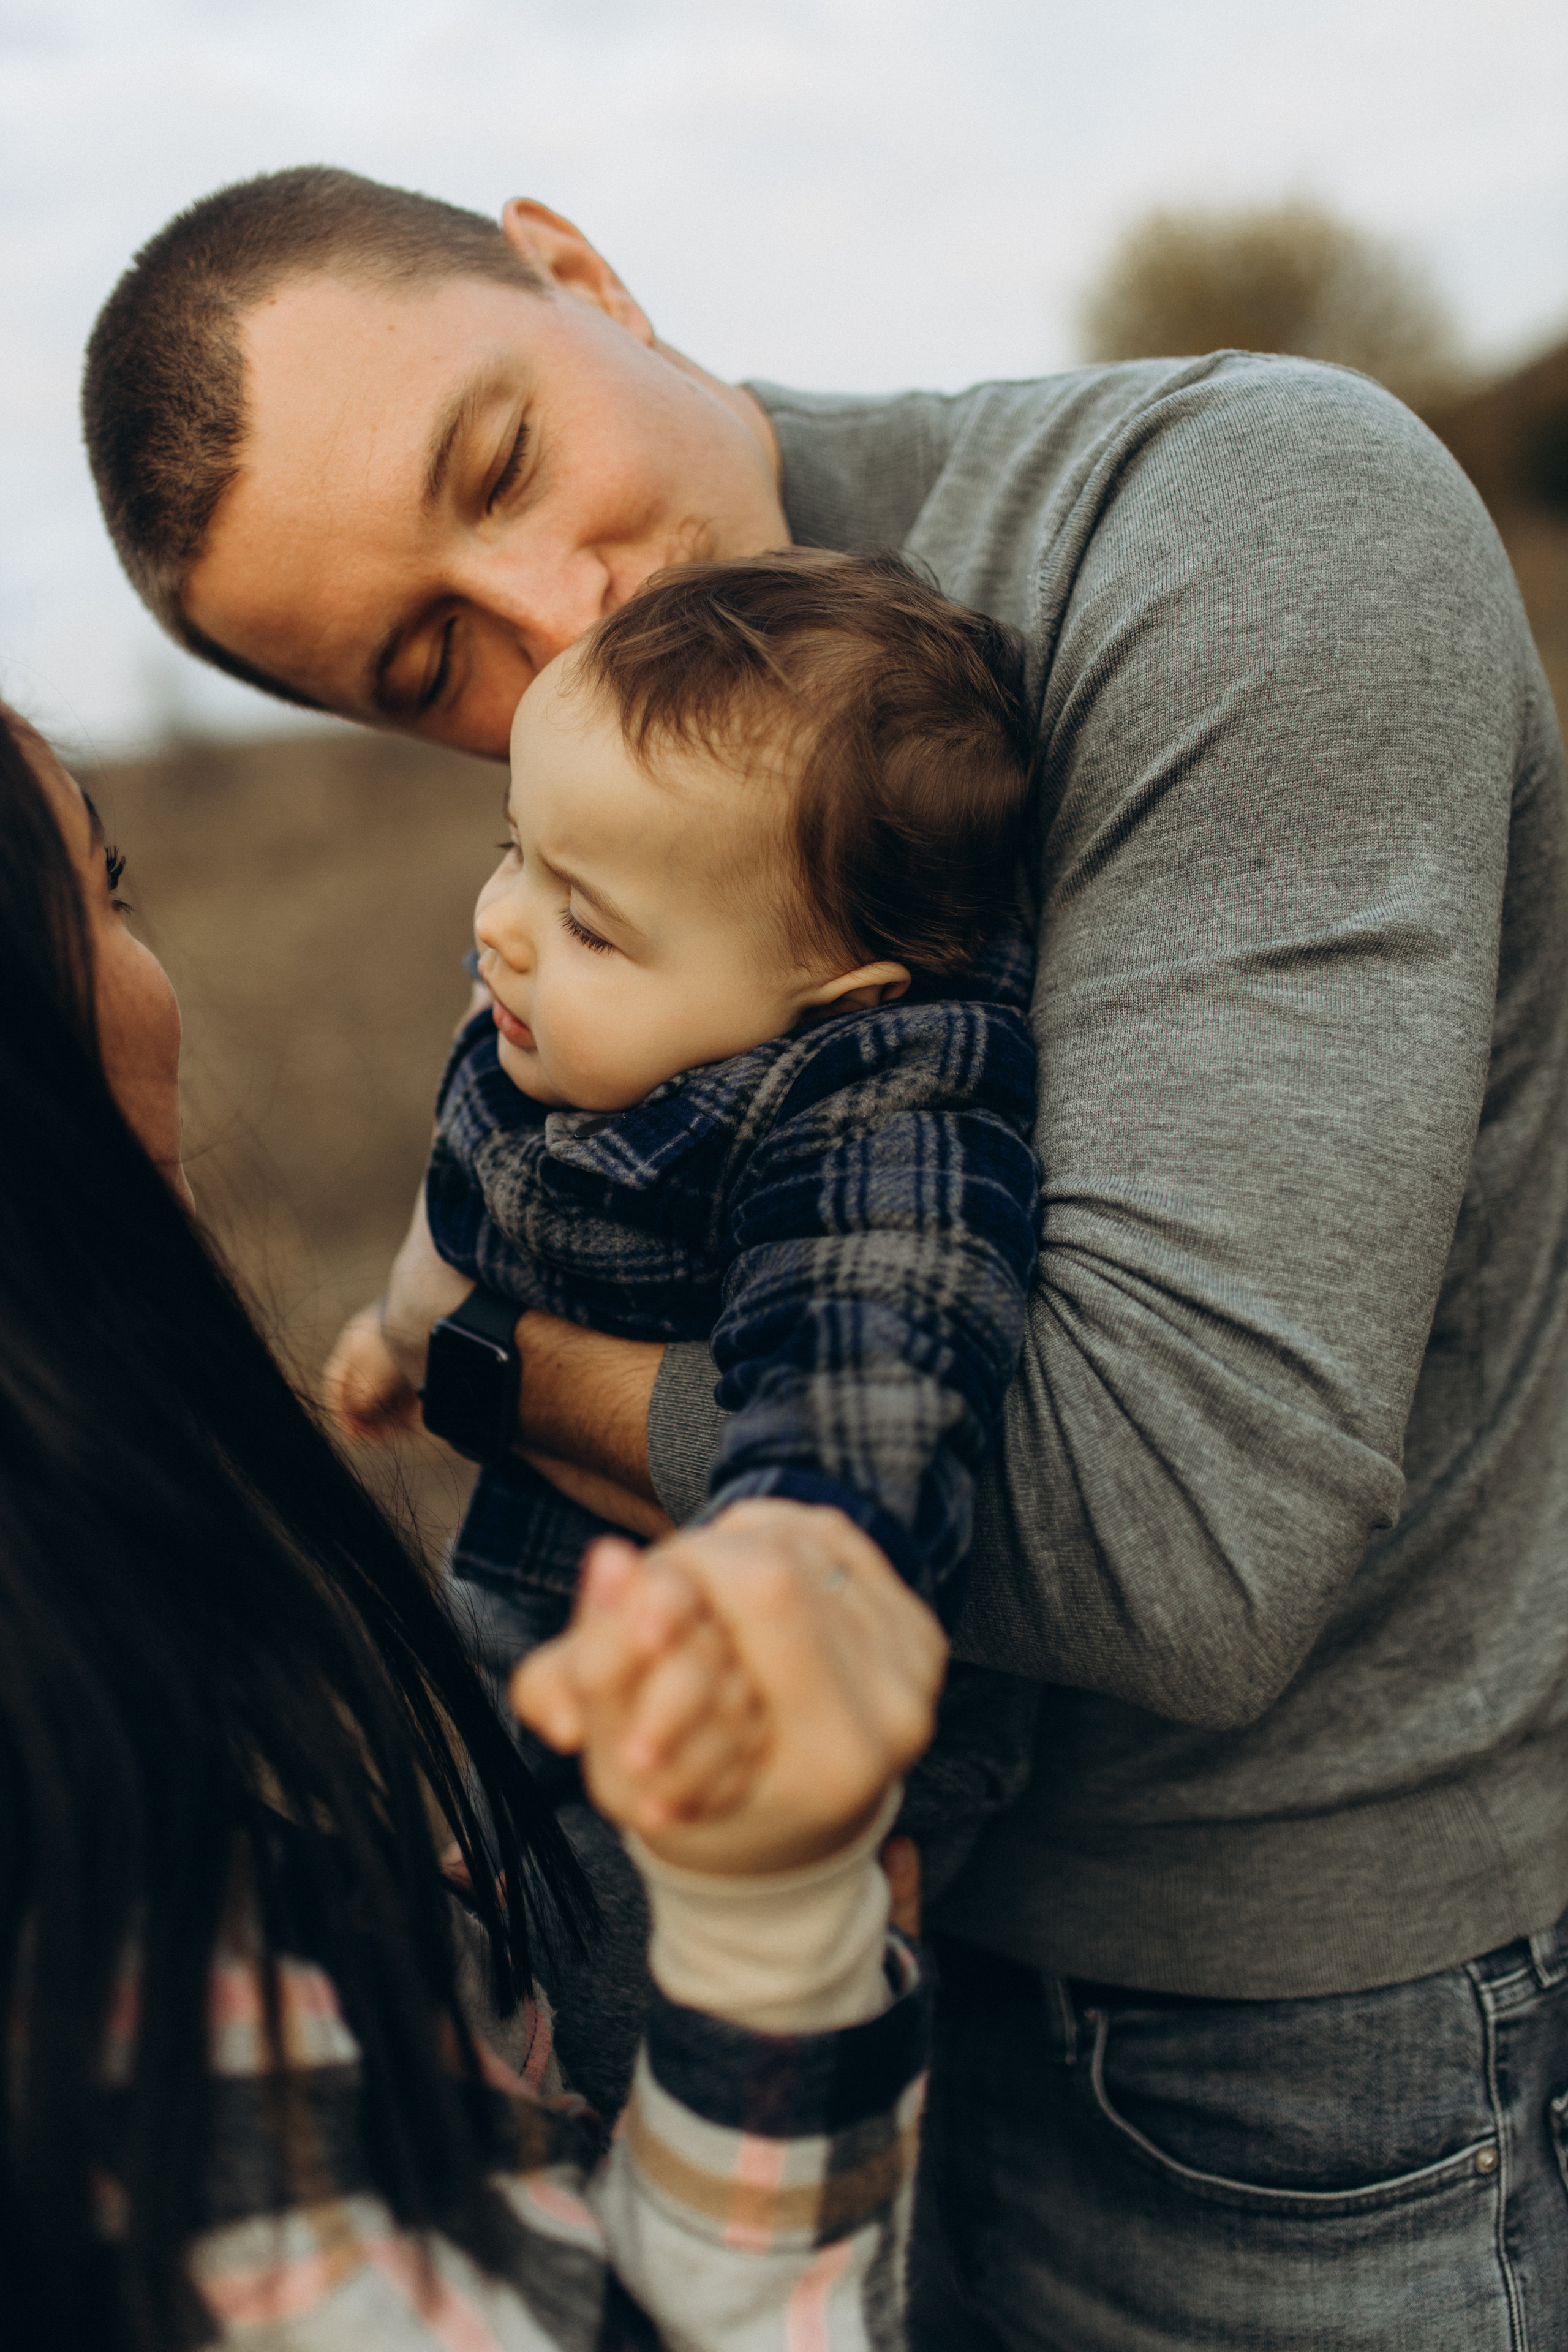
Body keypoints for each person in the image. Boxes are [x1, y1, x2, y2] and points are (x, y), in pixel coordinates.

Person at [82, 165, 1568, 2349]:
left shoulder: (1237, 533)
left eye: (501, 459)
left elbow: (1177, 1547)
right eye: (428, 664)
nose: (552, 618)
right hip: (759, 1993)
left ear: (576, 269)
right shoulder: (618, 813)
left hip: (1263, 2046)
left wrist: (496, 1367)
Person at [0, 696, 943, 2348]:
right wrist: (777, 1938)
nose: (495, 920)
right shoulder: (106, 1887)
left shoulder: (882, 1123)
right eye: (111, 890)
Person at [326, 548, 1041, 1899]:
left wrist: (799, 1543)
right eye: (511, 851)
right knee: (457, 1800)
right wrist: (395, 1324)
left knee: (645, 1916)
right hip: (535, 1578)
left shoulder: (874, 1112)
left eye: (587, 924)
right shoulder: (559, 1020)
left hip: (752, 1702)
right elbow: (467, 1196)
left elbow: (876, 1341)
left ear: (838, 1003)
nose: (502, 929)